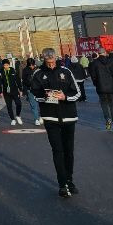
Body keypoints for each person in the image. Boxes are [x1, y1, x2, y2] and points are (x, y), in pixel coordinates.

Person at [30, 47, 80, 197]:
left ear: (56, 59)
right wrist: (45, 96)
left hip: (69, 116)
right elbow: (34, 92)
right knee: (57, 151)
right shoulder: (38, 73)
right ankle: (62, 183)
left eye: (52, 61)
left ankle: (70, 179)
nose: (51, 64)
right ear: (44, 60)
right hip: (50, 118)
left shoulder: (66, 71)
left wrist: (65, 97)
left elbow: (76, 92)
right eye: (48, 62)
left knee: (69, 151)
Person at [89, 49, 113, 130]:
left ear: (98, 54)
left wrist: (97, 84)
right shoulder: (111, 61)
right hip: (111, 87)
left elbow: (93, 76)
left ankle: (108, 119)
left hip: (101, 88)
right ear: (105, 53)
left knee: (104, 105)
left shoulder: (94, 63)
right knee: (112, 105)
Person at [0, 58, 23, 125]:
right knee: (9, 106)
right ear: (3, 65)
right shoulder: (0, 72)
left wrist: (20, 89)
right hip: (6, 92)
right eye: (4, 65)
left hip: (14, 91)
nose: (6, 66)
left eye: (7, 65)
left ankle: (18, 115)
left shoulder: (13, 70)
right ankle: (12, 119)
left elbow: (18, 80)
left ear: (9, 65)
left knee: (18, 103)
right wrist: (0, 91)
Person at [21, 58, 43, 125]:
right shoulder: (25, 70)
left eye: (32, 65)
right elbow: (24, 81)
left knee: (41, 104)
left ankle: (41, 117)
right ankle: (36, 119)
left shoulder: (38, 69)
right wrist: (24, 91)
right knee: (33, 105)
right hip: (30, 89)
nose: (31, 66)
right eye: (30, 65)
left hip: (39, 89)